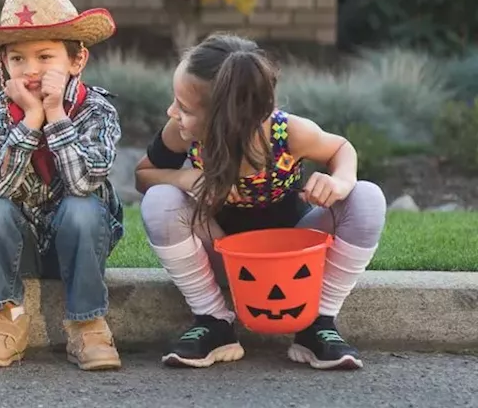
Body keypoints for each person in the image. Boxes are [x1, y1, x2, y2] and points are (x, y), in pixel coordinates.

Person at [135, 33, 386, 370]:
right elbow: (143, 175)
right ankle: (214, 321)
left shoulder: (288, 134)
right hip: (224, 251)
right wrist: (182, 178)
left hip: (292, 254)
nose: (172, 112)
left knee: (366, 196)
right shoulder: (181, 134)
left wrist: (338, 181)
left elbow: (342, 148)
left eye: (183, 107)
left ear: (226, 117)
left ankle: (317, 322)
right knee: (160, 199)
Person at [0, 0, 125, 371]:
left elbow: (84, 183)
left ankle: (87, 323)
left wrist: (56, 115)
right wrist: (32, 118)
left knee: (83, 207)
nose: (30, 69)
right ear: (3, 64)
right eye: (18, 58)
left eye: (45, 56)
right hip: (21, 247)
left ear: (77, 59)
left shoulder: (96, 110)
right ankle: (7, 319)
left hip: (81, 241)